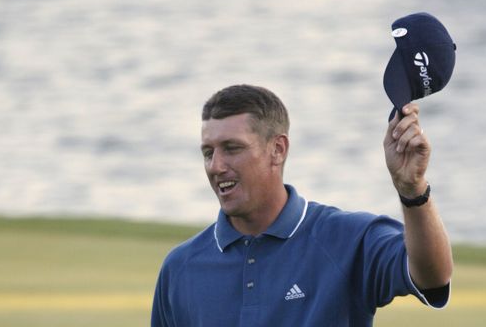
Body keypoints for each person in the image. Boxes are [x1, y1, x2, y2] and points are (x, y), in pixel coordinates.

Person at [151, 84, 452, 326]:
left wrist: (412, 190)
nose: (216, 166)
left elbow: (433, 275)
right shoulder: (179, 269)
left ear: (277, 149)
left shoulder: (346, 239)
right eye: (208, 152)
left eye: (232, 148)